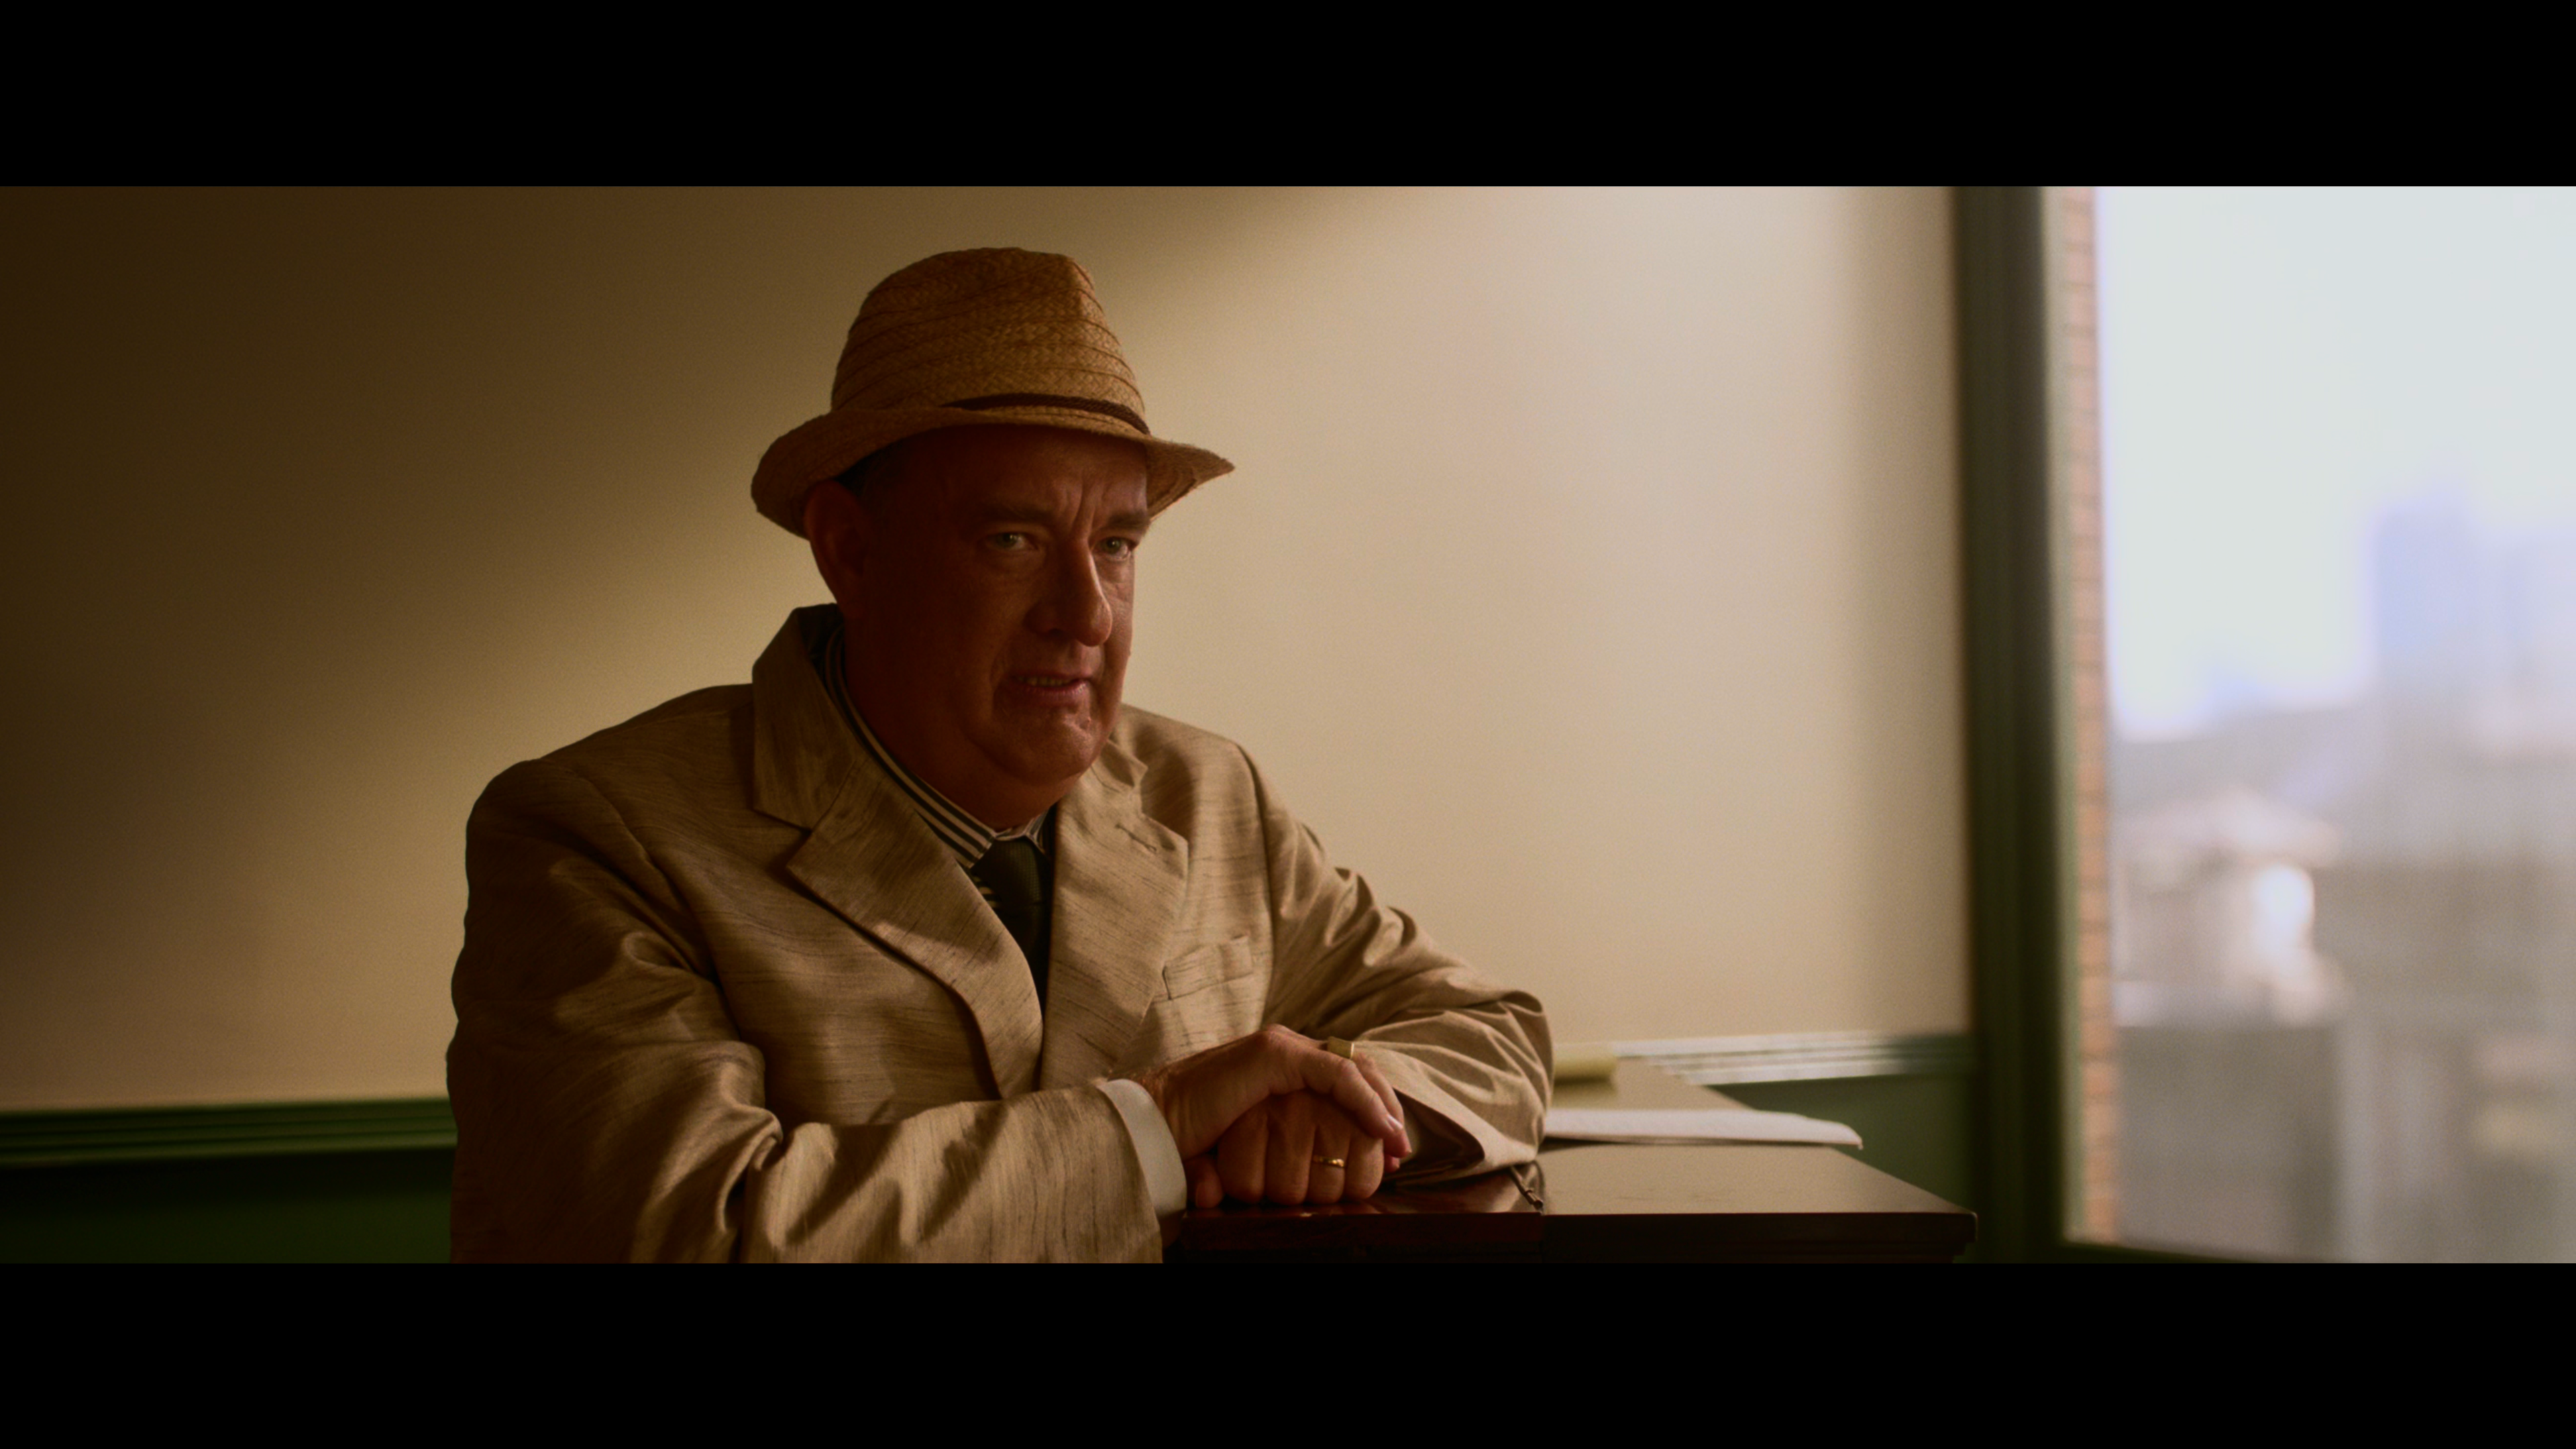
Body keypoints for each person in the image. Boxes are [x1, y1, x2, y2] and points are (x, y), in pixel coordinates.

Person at [446, 248, 1550, 1261]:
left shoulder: (1208, 794)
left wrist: (1339, 1108)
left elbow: (1492, 1032)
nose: (1088, 613)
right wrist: (1158, 1128)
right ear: (851, 550)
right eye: (1012, 540)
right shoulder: (597, 834)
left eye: (1116, 543)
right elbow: (687, 1230)